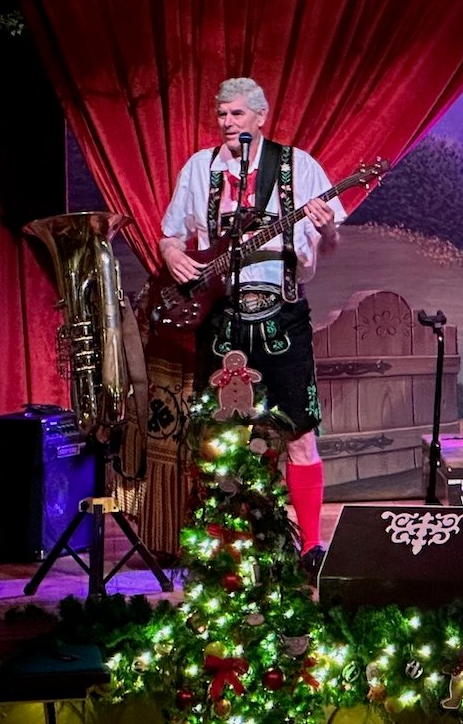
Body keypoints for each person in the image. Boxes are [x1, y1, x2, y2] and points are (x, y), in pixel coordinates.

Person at [159, 77, 343, 570]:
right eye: (221, 114)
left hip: (282, 315)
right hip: (222, 319)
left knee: (299, 432)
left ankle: (309, 547)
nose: (227, 122)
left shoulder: (297, 166)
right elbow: (170, 236)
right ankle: (225, 543)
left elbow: (330, 246)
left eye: (237, 114)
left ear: (261, 117)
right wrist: (175, 256)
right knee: (221, 434)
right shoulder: (200, 169)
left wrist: (326, 231)